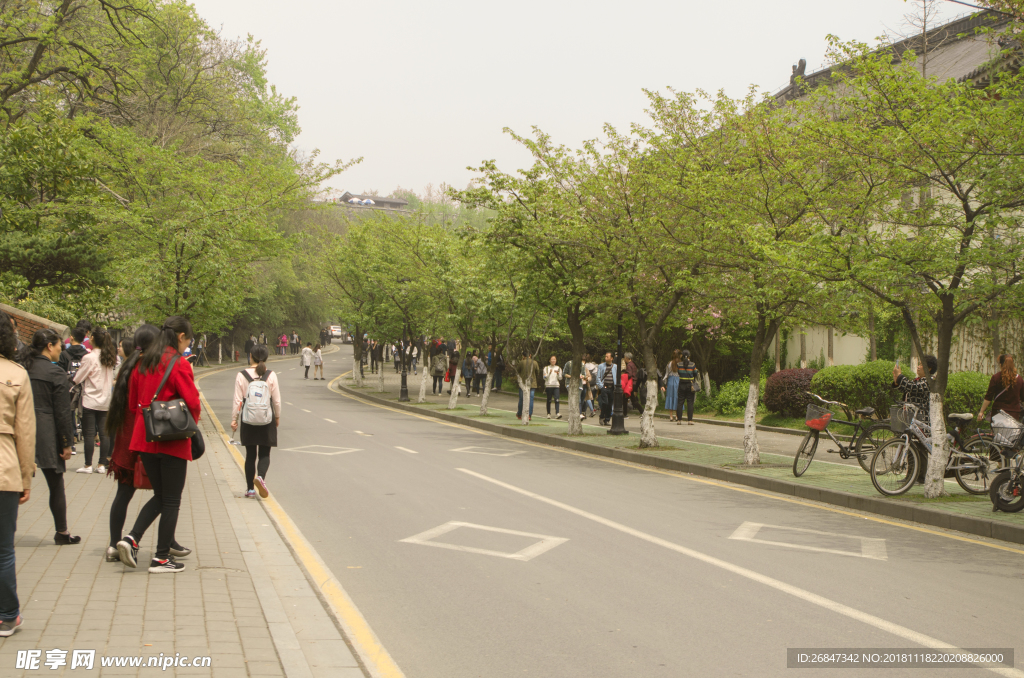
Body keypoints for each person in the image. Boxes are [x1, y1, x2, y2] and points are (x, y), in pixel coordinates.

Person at [119, 316, 200, 574]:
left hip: (145, 438)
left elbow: (133, 405)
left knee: (161, 495)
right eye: (188, 339)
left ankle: (131, 538)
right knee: (172, 500)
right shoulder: (178, 364)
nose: (187, 344)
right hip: (172, 440)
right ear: (180, 337)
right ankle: (161, 557)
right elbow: (193, 404)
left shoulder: (143, 361)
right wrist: (187, 426)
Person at [19, 329, 79, 545]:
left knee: (11, 484)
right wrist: (66, 443)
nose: (61, 349)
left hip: (20, 428)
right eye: (59, 345)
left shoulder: (22, 368)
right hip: (46, 431)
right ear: (49, 346)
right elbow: (63, 412)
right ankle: (62, 532)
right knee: (55, 484)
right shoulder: (56, 374)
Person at [0, 310, 35, 637]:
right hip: (5, 468)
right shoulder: (16, 374)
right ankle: (8, 615)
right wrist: (26, 478)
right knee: (4, 549)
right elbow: (25, 433)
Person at [231, 344, 281, 499]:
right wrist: (277, 417)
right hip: (267, 418)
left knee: (250, 454)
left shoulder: (241, 375)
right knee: (265, 452)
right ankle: (260, 477)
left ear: (250, 356)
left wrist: (234, 419)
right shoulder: (271, 375)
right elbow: (276, 401)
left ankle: (250, 490)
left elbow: (237, 401)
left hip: (248, 419)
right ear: (266, 358)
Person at [73, 327, 117, 474]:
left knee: (89, 434)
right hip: (106, 401)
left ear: (92, 338)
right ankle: (101, 465)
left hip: (90, 400)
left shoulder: (89, 358)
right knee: (105, 434)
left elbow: (78, 378)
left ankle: (87, 465)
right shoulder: (112, 357)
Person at [892, 355, 937, 423]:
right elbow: (907, 390)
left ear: (929, 368)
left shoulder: (929, 381)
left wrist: (899, 376)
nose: (918, 367)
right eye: (919, 364)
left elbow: (912, 387)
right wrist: (896, 382)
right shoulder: (918, 380)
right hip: (912, 416)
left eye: (921, 365)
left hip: (921, 418)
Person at [978, 354, 1023, 423]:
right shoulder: (1019, 379)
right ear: (1012, 365)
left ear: (1000, 365)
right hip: (1014, 414)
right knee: (1012, 433)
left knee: (997, 433)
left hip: (998, 413)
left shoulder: (996, 378)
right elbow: (1023, 397)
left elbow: (988, 397)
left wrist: (981, 412)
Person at [674, 350, 700, 426]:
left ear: (682, 356)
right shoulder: (692, 364)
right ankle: (690, 420)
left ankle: (679, 420)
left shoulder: (679, 364)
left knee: (680, 402)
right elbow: (695, 373)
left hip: (681, 384)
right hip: (690, 385)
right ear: (689, 356)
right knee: (690, 402)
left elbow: (678, 373)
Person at [515, 350, 541, 420]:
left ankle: (519, 414)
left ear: (523, 356)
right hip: (532, 383)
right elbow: (537, 372)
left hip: (523, 383)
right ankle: (529, 415)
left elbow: (517, 371)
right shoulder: (535, 362)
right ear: (530, 355)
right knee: (531, 399)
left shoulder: (521, 362)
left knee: (521, 399)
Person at [595, 352, 618, 425]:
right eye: (605, 356)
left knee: (610, 404)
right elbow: (598, 377)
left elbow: (617, 377)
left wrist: (617, 385)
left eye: (607, 357)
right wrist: (601, 386)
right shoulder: (601, 366)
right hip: (604, 387)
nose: (606, 358)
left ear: (612, 358)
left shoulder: (615, 367)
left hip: (612, 388)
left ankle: (607, 419)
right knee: (605, 402)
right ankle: (602, 417)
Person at [662, 350, 681, 422]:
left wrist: (665, 383)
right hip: (678, 381)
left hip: (670, 381)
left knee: (670, 397)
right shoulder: (680, 363)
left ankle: (671, 416)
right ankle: (677, 416)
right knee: (677, 397)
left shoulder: (669, 364)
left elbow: (666, 374)